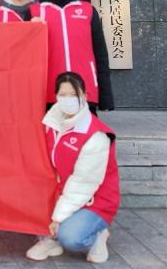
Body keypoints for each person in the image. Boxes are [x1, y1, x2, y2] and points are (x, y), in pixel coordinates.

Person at [26, 72, 117, 264]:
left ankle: (98, 234)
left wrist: (58, 218)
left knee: (71, 238)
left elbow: (83, 183)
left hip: (93, 199)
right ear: (56, 97)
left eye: (73, 94)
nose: (68, 99)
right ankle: (51, 239)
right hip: (62, 192)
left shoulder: (95, 135)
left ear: (84, 96)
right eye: (63, 94)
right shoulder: (50, 124)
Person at [31, 0, 114, 113]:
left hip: (84, 89)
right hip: (48, 93)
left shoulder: (88, 11)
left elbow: (100, 54)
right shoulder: (34, 12)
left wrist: (106, 97)